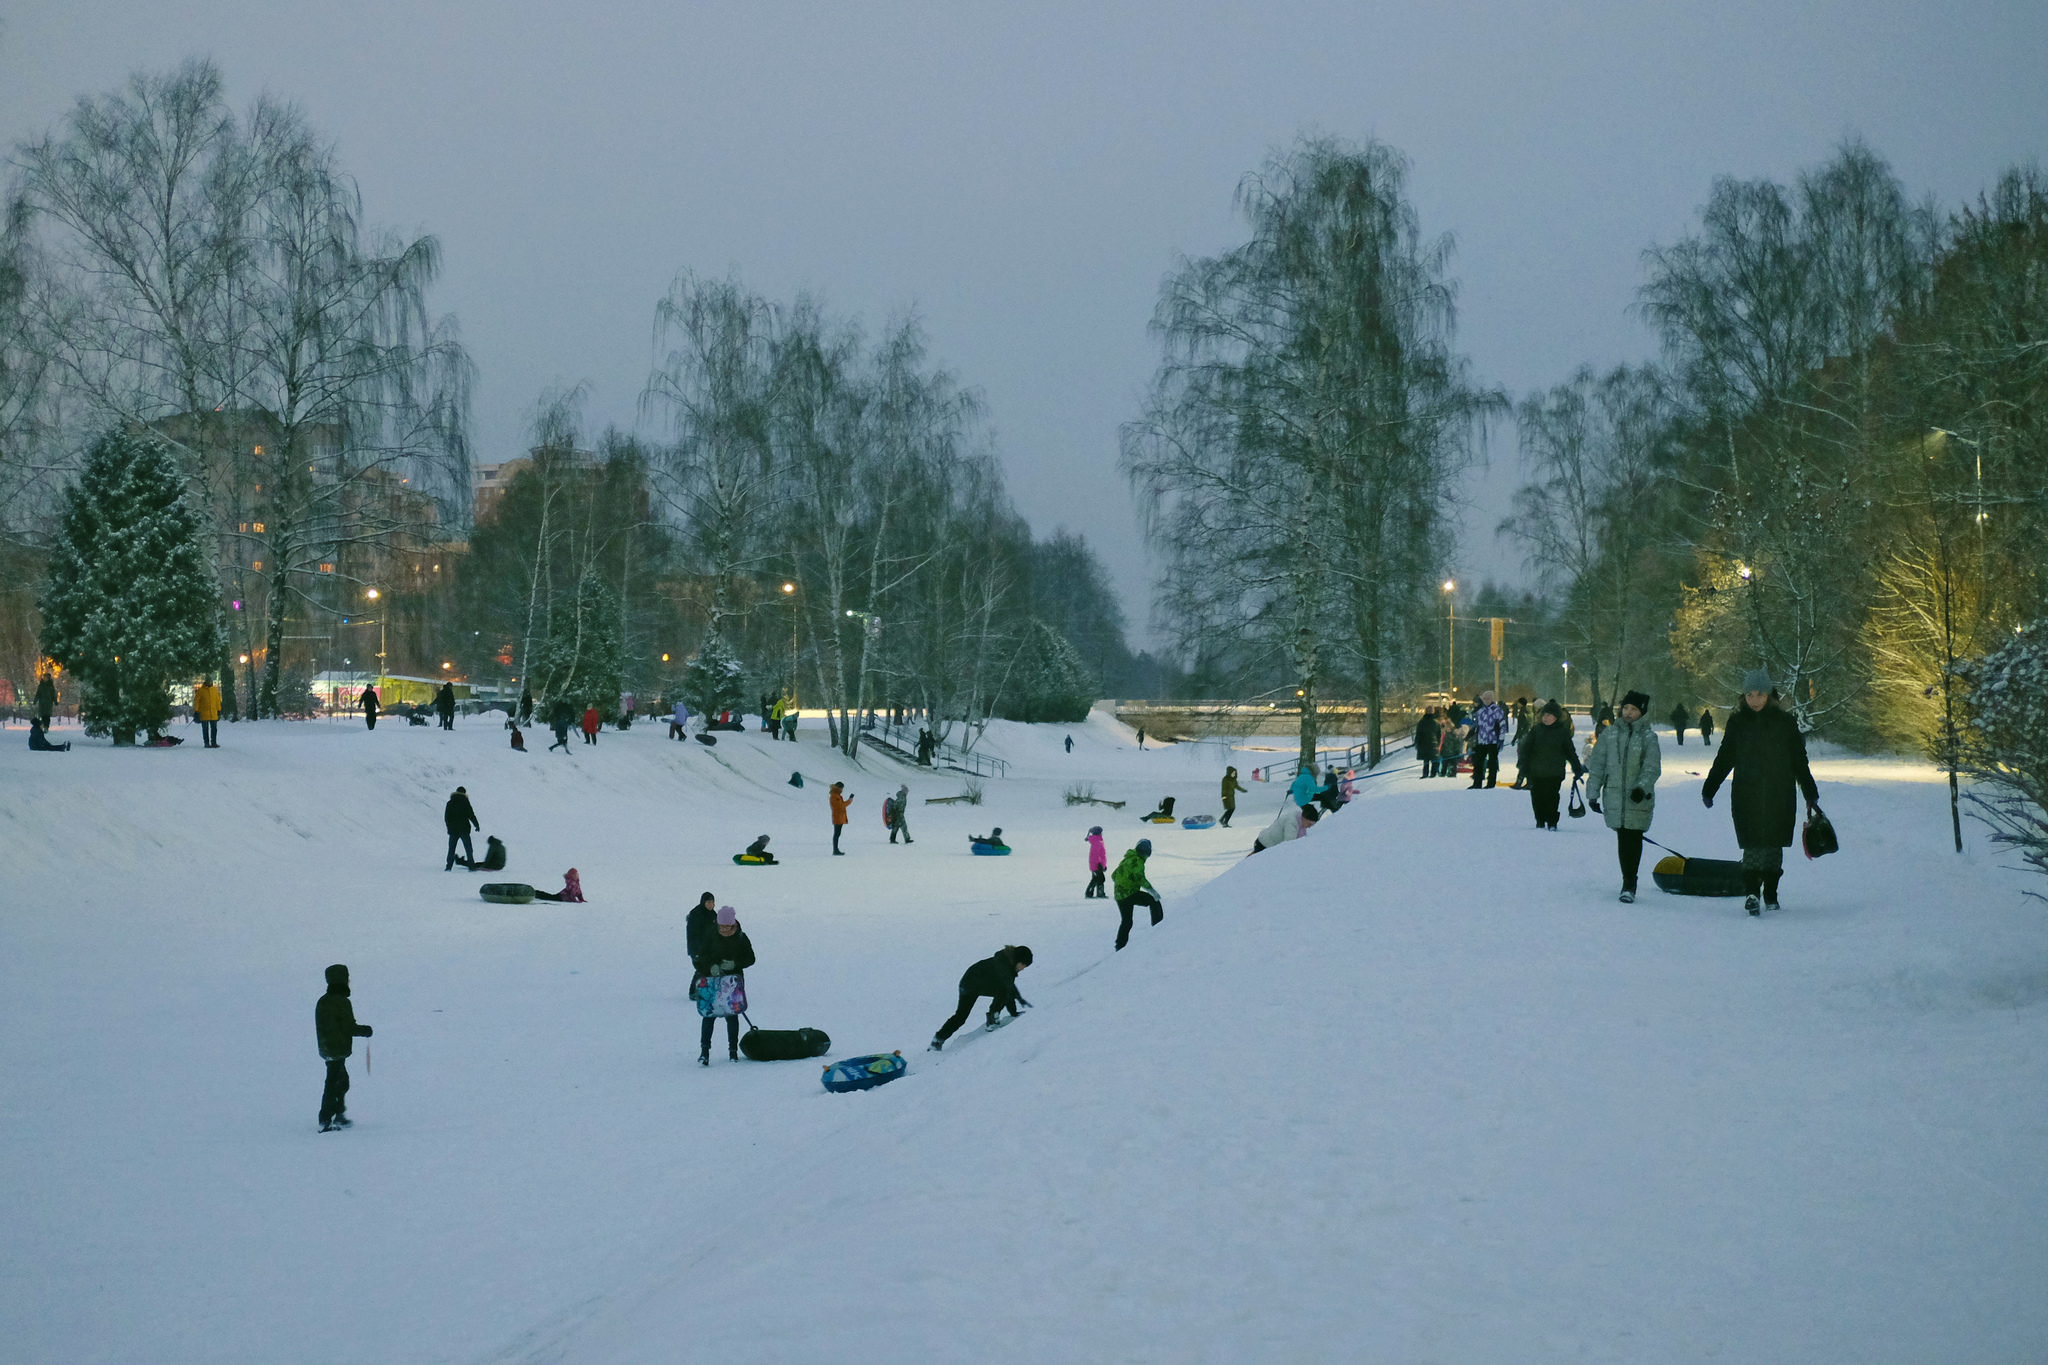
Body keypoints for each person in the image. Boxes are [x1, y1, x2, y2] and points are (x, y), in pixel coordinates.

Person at [1702, 669, 1821, 914]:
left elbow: (1799, 760)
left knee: (1773, 848)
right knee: (1753, 846)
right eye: (1749, 694)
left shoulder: (1785, 723)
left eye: (1759, 694)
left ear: (1769, 695)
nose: (1754, 700)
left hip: (1780, 794)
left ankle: (1771, 893)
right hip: (1747, 794)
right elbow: (1725, 757)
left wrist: (1810, 791)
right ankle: (1752, 893)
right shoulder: (1737, 723)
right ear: (1743, 696)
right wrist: (1710, 787)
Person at [1583, 689, 1662, 902]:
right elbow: (1598, 765)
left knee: (1633, 838)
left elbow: (1652, 767)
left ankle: (1629, 883)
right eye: (1626, 708)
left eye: (1634, 709)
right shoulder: (1609, 734)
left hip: (1638, 798)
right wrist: (1592, 793)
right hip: (1615, 797)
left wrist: (1641, 787)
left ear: (1642, 712)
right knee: (1623, 838)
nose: (1628, 712)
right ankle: (1627, 879)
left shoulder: (1648, 737)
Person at [928, 945, 1033, 1050]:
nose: (1023, 968)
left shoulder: (1009, 967)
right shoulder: (1003, 963)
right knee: (961, 1016)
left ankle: (937, 1040)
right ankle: (938, 1040)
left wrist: (1013, 1013)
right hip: (969, 984)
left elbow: (1008, 988)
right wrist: (1018, 999)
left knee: (1004, 990)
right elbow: (1008, 987)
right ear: (1017, 960)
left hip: (974, 984)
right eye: (1023, 964)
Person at [692, 906, 755, 1065]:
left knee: (732, 1017)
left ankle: (732, 1052)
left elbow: (750, 958)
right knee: (709, 1016)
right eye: (722, 926)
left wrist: (735, 963)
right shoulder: (709, 935)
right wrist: (710, 967)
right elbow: (699, 958)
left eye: (728, 926)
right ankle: (704, 1052)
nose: (725, 929)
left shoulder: (741, 937)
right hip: (712, 982)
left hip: (733, 984)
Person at [315, 964, 373, 1132]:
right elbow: (349, 1027)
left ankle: (338, 1115)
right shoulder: (341, 1001)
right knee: (334, 1082)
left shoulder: (324, 1000)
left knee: (340, 1081)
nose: (349, 981)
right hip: (336, 1049)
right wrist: (365, 1030)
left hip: (327, 1049)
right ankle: (325, 1119)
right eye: (347, 978)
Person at [1520, 699, 1585, 830]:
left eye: (1549, 715)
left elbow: (1570, 752)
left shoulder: (1562, 732)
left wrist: (1577, 767)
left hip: (1555, 771)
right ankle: (1540, 820)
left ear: (1556, 717)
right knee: (1537, 796)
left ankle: (1552, 821)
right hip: (1537, 771)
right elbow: (1526, 749)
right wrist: (1524, 766)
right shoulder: (1536, 730)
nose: (1546, 718)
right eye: (1544, 715)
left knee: (1552, 796)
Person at [1110, 838, 1162, 950]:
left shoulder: (1127, 859)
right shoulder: (1137, 861)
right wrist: (1152, 891)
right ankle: (1160, 928)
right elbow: (1139, 878)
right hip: (1130, 893)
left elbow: (1114, 875)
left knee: (1127, 921)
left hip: (1119, 896)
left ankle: (1120, 945)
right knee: (1154, 900)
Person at [1467, 689, 1508, 789]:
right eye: (1484, 698)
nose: (1486, 700)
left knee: (1492, 762)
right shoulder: (1480, 711)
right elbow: (1477, 726)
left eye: (1488, 698)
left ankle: (1491, 783)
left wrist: (1501, 739)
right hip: (1482, 740)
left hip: (1493, 740)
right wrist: (1471, 736)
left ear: (1492, 699)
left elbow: (1503, 726)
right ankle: (1477, 782)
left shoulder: (1497, 711)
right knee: (1478, 761)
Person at [1250, 801, 1319, 854]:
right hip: (1264, 844)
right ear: (1303, 818)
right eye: (1309, 823)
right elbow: (1289, 844)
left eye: (1312, 824)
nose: (1309, 826)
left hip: (1271, 846)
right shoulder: (1292, 823)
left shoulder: (1301, 824)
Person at [444, 786, 480, 870]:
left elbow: (446, 817)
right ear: (464, 793)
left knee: (451, 849)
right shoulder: (465, 802)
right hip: (464, 829)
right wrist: (476, 825)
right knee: (468, 849)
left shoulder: (450, 803)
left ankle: (448, 866)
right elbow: (471, 815)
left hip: (453, 830)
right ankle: (471, 866)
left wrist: (449, 827)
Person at [194, 676, 222, 748]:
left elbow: (218, 701)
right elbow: (196, 701)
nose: (209, 682)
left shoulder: (215, 690)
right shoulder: (200, 691)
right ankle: (206, 743)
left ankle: (214, 742)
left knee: (214, 729)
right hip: (204, 713)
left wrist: (219, 710)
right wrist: (196, 711)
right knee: (205, 729)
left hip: (213, 713)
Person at [1414, 707, 1441, 778]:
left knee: (1426, 760)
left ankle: (1425, 774)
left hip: (1423, 743)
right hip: (1433, 743)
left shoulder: (1422, 722)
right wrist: (1438, 743)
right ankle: (1433, 773)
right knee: (1434, 759)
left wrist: (1417, 742)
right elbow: (1439, 734)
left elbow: (1418, 733)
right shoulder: (1436, 722)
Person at [1083, 825, 1108, 898]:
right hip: (1096, 865)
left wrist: (1103, 865)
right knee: (1098, 879)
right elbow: (1095, 855)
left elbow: (1101, 855)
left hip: (1098, 865)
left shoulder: (1098, 841)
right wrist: (1099, 864)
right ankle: (1090, 893)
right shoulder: (1097, 842)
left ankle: (1098, 893)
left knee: (1098, 879)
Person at [829, 781, 853, 855]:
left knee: (837, 834)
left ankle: (836, 849)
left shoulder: (836, 795)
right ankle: (835, 850)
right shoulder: (835, 796)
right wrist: (849, 801)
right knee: (837, 834)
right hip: (838, 817)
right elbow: (841, 806)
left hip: (839, 816)